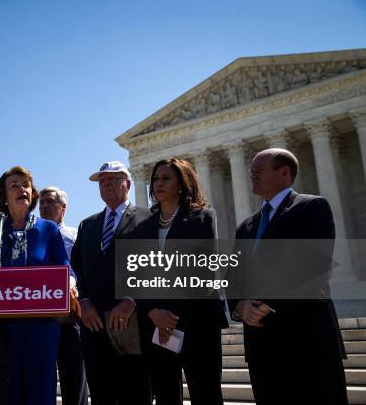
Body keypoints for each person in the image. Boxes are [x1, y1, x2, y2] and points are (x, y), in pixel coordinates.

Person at [229, 148, 348, 404]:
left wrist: (266, 303)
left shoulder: (311, 207)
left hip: (307, 339)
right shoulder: (246, 226)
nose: (252, 175)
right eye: (251, 171)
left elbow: (312, 263)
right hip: (261, 344)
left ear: (284, 173)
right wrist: (240, 305)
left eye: (259, 170)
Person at [128, 158, 228, 405]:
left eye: (166, 178)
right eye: (155, 179)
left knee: (206, 394)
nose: (158, 184)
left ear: (182, 184)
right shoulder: (142, 228)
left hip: (198, 323)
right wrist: (153, 311)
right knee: (165, 395)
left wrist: (170, 317)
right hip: (156, 326)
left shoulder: (203, 218)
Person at [0, 166, 70, 405]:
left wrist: (70, 284)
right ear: (4, 197)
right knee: (7, 392)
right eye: (14, 185)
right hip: (2, 327)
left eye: (26, 184)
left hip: (43, 325)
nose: (22, 189)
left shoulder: (47, 229)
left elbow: (64, 267)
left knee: (40, 390)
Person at [71, 161, 151, 405]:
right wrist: (83, 301)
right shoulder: (88, 225)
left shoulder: (147, 218)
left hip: (132, 322)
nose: (105, 184)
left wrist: (131, 300)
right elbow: (78, 267)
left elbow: (155, 264)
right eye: (102, 181)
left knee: (135, 391)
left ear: (127, 183)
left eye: (112, 179)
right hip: (93, 323)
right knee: (102, 391)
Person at [39, 186, 88, 405]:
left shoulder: (77, 235)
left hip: (71, 315)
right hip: (40, 317)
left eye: (50, 202)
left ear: (63, 207)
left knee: (74, 375)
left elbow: (85, 271)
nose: (45, 206)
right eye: (41, 203)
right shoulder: (31, 237)